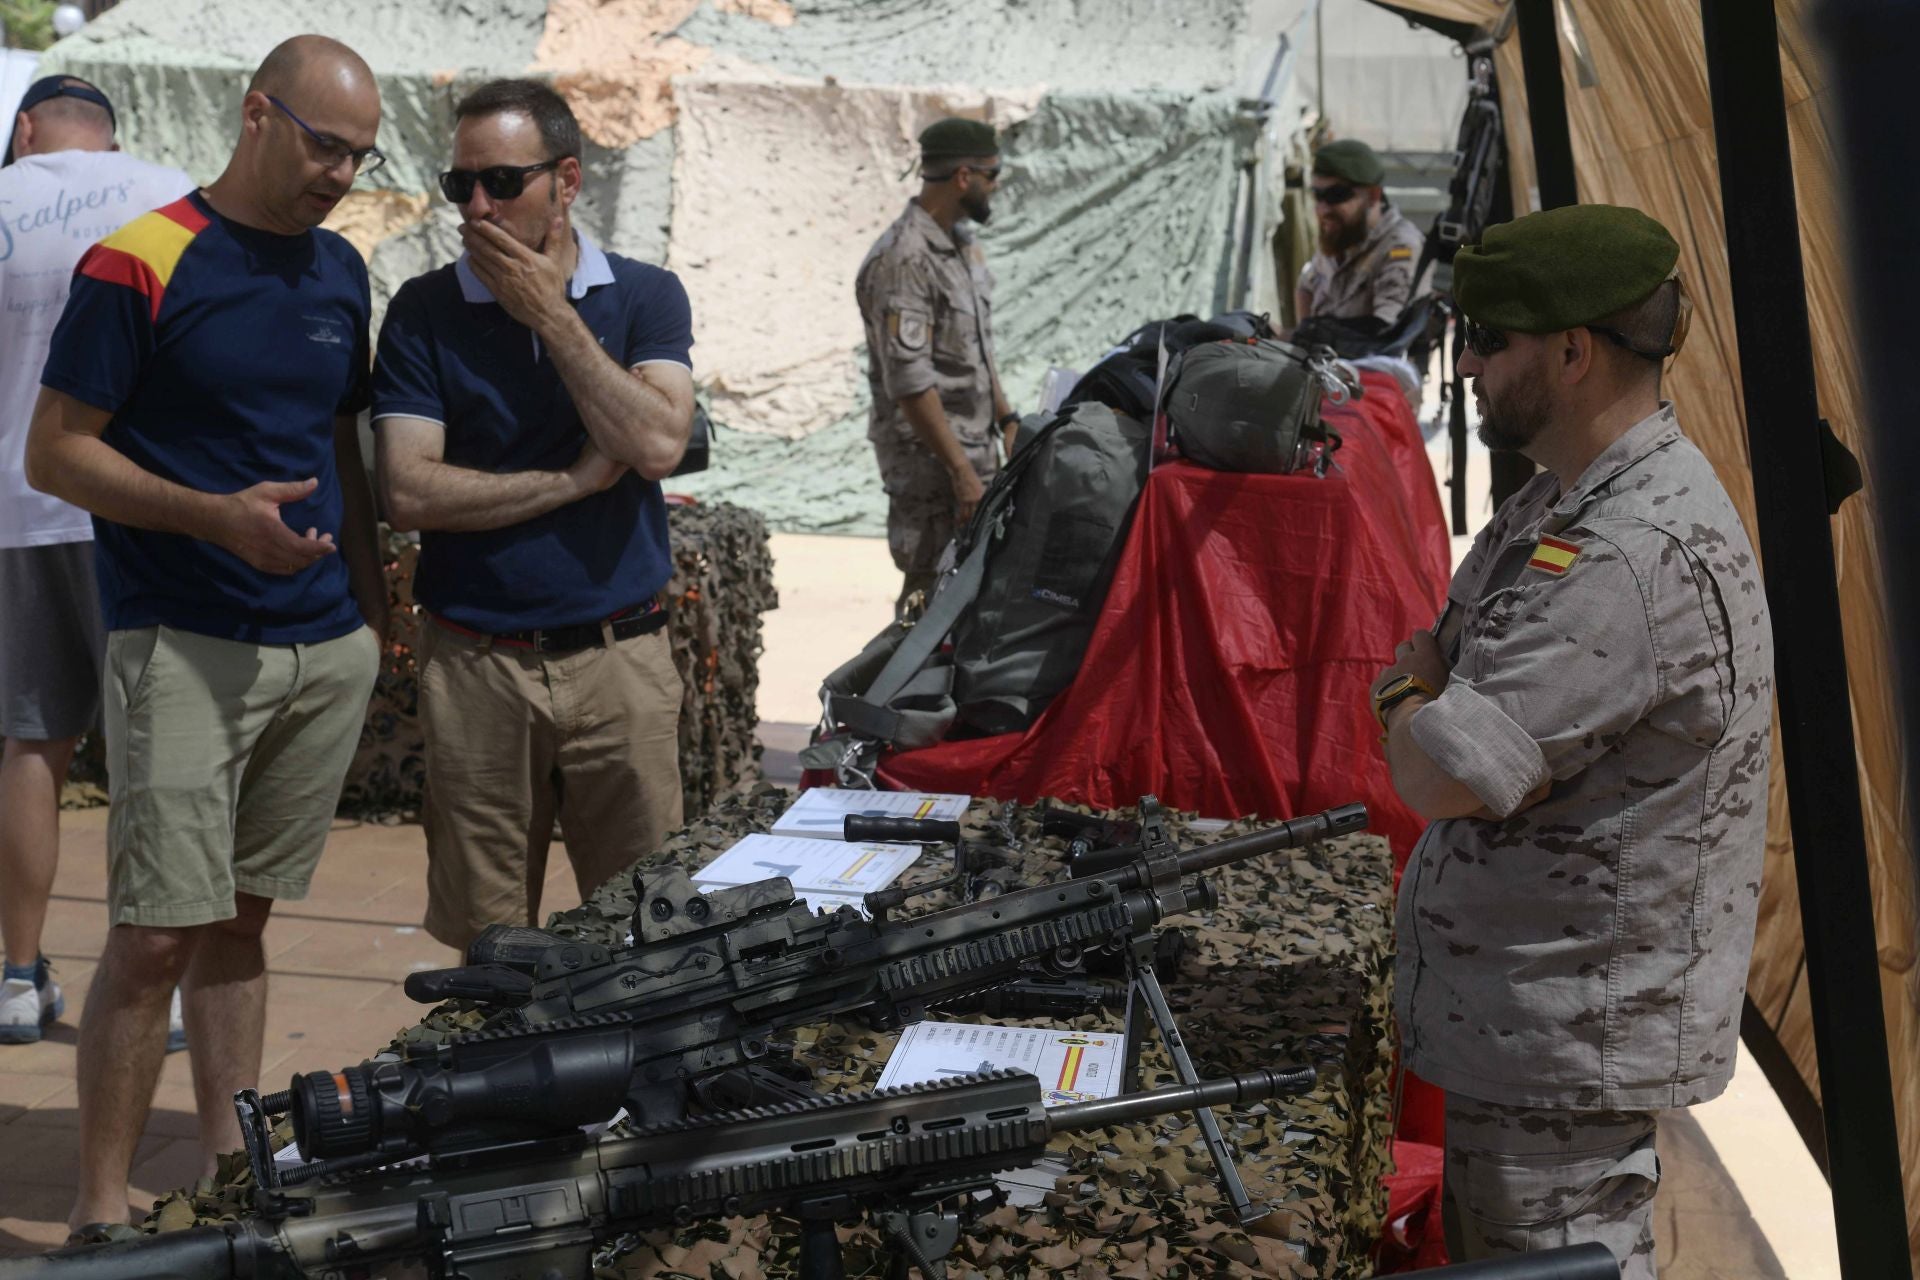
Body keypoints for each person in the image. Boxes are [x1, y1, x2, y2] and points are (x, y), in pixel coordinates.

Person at [24, 36, 387, 1238]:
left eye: (360, 154)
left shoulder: (341, 271)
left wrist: (371, 620)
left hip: (320, 642)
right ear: (255, 116)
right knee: (155, 932)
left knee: (240, 918)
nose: (340, 173)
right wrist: (214, 522)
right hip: (182, 638)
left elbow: (341, 446)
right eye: (324, 144)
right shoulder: (139, 262)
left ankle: (234, 1169)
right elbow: (55, 452)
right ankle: (94, 1210)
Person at [1370, 204, 1772, 1276]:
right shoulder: (1557, 512)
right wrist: (1433, 691)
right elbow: (1448, 670)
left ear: (1574, 350)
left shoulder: (1631, 552)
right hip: (1526, 1033)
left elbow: (1441, 769)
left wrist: (1403, 695)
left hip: (1563, 1047)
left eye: (1488, 341)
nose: (1467, 366)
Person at [371, 79, 693, 953]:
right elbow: (407, 492)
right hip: (478, 667)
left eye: (502, 183)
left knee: (646, 931)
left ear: (567, 181)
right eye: (459, 186)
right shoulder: (424, 311)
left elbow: (659, 444)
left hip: (620, 659)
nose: (476, 207)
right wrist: (576, 480)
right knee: (490, 946)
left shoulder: (644, 296)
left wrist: (552, 316)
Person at [0, 77, 192, 1048]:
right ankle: (161, 981)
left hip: (19, 507)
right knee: (159, 746)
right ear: (111, 135)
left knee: (34, 742)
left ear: (24, 130)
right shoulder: (174, 196)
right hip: (143, 504)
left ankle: (17, 975)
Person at [856, 117, 1017, 616]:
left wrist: (1007, 420)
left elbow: (974, 350)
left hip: (971, 453)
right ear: (964, 177)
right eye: (993, 175)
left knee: (970, 597)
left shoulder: (961, 247)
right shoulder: (906, 259)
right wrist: (960, 471)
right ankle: (894, 698)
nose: (997, 186)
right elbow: (910, 381)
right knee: (926, 602)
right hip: (931, 466)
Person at [1294, 138, 1424, 326]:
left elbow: (1385, 329)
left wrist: (1315, 337)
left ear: (1372, 196)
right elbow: (1305, 286)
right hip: (1320, 353)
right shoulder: (1342, 234)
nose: (1322, 210)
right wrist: (1302, 337)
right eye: (1317, 195)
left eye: (1336, 196)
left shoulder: (1400, 247)